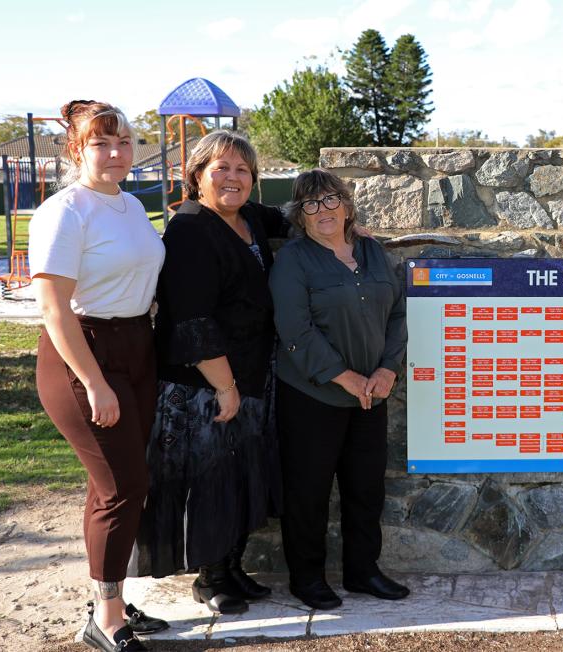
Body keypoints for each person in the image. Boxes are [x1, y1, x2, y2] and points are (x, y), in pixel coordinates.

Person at [29, 100, 168, 652]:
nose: (115, 153)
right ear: (76, 149)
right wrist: (93, 382)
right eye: (100, 143)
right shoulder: (65, 212)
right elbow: (54, 309)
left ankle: (107, 598)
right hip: (83, 354)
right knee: (124, 487)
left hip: (137, 346)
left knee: (110, 484)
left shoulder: (131, 206)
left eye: (124, 142)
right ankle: (106, 621)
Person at [136, 131, 286, 614]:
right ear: (197, 175)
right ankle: (209, 578)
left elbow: (290, 216)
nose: (233, 178)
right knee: (210, 480)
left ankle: (232, 566)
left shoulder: (250, 220)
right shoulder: (191, 229)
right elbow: (192, 320)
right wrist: (225, 388)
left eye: (243, 170)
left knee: (242, 476)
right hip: (204, 384)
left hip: (249, 373)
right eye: (221, 168)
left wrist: (350, 229)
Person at [270, 169, 408, 610]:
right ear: (299, 216)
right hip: (314, 395)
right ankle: (306, 579)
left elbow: (398, 315)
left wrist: (387, 370)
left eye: (330, 200)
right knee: (309, 490)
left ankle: (363, 571)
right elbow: (295, 329)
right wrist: (345, 377)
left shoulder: (372, 251)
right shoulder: (294, 260)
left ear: (347, 206)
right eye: (310, 204)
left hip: (372, 394)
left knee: (366, 488)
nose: (322, 210)